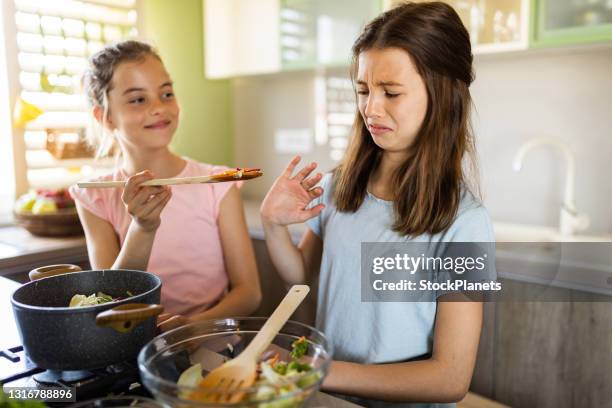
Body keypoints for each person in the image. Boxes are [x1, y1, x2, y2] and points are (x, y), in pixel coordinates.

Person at [260, 2, 495, 407]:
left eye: (391, 92)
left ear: (442, 95)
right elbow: (300, 281)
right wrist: (273, 224)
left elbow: (451, 377)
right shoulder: (338, 188)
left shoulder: (466, 223)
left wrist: (319, 370)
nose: (371, 108)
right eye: (364, 90)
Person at [70, 40, 261, 332]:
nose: (159, 108)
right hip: (135, 352)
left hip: (215, 351)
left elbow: (249, 294)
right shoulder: (95, 196)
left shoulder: (218, 185)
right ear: (104, 116)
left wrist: (193, 327)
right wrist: (143, 228)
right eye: (138, 99)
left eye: (166, 93)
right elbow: (110, 300)